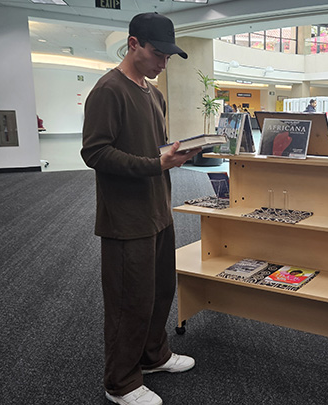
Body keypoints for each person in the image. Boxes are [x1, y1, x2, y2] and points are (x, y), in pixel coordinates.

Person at [81, 12, 198, 405]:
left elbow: (154, 149)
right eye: (157, 53)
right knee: (128, 300)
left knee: (160, 290)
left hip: (158, 210)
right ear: (133, 45)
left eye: (168, 56)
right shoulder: (108, 90)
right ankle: (121, 382)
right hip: (125, 218)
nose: (163, 63)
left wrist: (176, 153)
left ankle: (153, 356)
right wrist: (154, 164)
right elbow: (95, 152)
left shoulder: (153, 93)